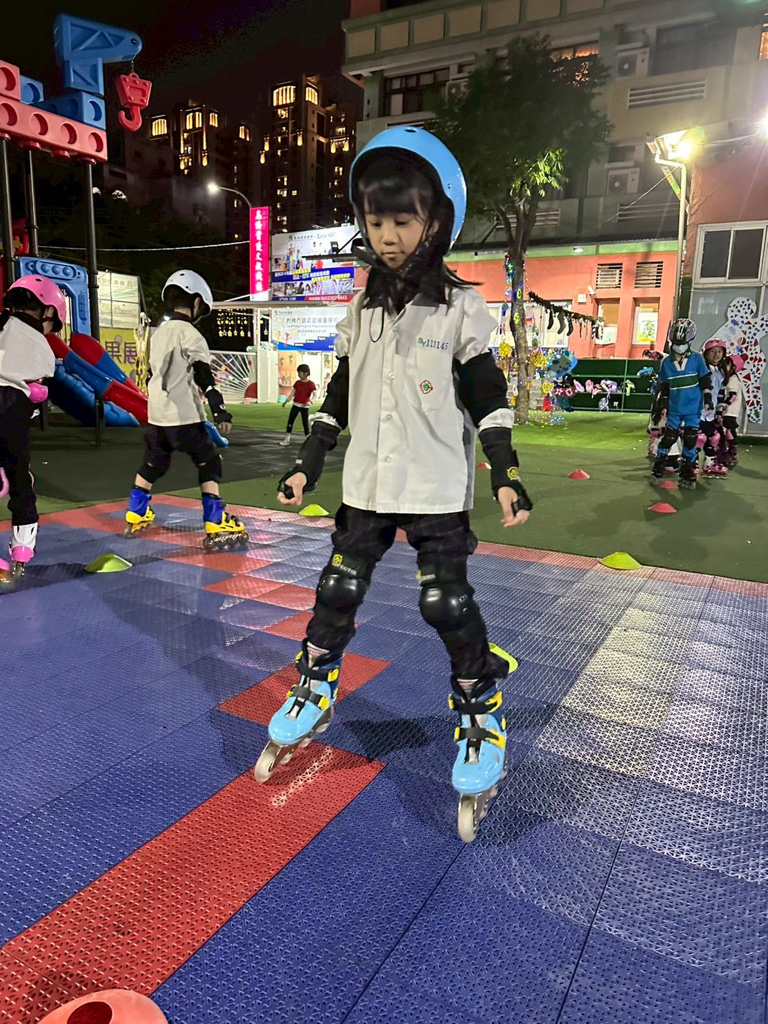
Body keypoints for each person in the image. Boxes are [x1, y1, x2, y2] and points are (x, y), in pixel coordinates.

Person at [254, 126, 533, 843]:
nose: (386, 235)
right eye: (375, 220)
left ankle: (480, 706)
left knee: (445, 601)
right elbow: (338, 397)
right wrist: (307, 461)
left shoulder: (461, 309)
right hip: (368, 485)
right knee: (337, 587)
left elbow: (487, 396)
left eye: (402, 220)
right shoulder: (362, 309)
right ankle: (316, 682)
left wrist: (505, 472)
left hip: (436, 486)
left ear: (436, 221)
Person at [123, 270, 247, 551]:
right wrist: (220, 410)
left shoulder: (158, 334)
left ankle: (135, 513)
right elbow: (203, 375)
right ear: (197, 302)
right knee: (209, 463)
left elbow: (153, 373)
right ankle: (215, 521)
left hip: (156, 416)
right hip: (185, 417)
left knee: (154, 463)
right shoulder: (191, 334)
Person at [0, 276, 59, 588]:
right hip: (11, 409)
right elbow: (36, 388)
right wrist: (36, 392)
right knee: (20, 478)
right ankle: (22, 550)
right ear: (46, 311)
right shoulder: (40, 343)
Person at [651, 319, 713, 488]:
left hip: (693, 408)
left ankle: (688, 470)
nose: (679, 347)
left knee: (691, 439)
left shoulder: (697, 359)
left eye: (682, 343)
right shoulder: (667, 363)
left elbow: (705, 380)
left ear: (689, 342)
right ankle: (659, 465)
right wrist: (664, 405)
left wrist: (708, 399)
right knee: (669, 437)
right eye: (677, 344)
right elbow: (664, 386)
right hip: (675, 408)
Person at [699, 338, 727, 477]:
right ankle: (690, 464)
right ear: (706, 354)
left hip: (711, 412)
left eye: (719, 351)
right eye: (713, 352)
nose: (716, 355)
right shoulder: (701, 370)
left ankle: (709, 464)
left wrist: (719, 411)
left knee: (714, 438)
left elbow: (721, 393)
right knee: (698, 438)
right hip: (698, 411)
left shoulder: (721, 372)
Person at [278, 363, 317, 446]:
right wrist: (286, 401)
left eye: (300, 372)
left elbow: (315, 394)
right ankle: (287, 439)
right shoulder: (297, 383)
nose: (299, 374)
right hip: (296, 405)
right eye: (298, 372)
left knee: (305, 423)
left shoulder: (311, 384)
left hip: (305, 407)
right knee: (290, 421)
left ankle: (307, 439)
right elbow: (293, 393)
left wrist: (311, 402)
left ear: (306, 373)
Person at [718, 353, 745, 467]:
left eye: (726, 364)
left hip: (730, 411)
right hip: (727, 411)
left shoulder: (733, 379)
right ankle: (725, 452)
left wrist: (724, 405)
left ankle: (732, 452)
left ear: (734, 368)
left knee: (729, 431)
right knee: (724, 431)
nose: (723, 366)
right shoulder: (727, 378)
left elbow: (732, 395)